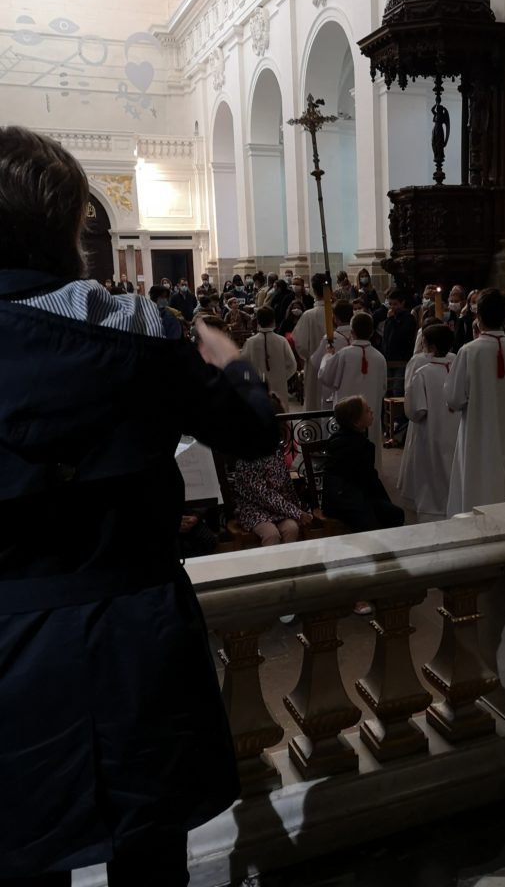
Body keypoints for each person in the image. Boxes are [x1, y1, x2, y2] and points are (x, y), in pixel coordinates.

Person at [0, 125, 281, 883]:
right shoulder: (143, 331)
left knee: (24, 849)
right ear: (69, 227)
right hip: (136, 635)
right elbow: (253, 434)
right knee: (152, 854)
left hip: (13, 650)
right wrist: (233, 365)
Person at [445, 287, 505, 514]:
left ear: (478, 316)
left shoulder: (468, 352)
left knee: (475, 491)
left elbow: (454, 398)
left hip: (477, 438)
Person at [399, 324, 459, 521]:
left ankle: (432, 509)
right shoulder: (458, 364)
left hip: (432, 431)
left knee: (432, 471)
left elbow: (416, 411)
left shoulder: (424, 372)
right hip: (457, 428)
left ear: (430, 346)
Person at [233, 398, 311, 546]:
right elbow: (264, 494)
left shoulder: (274, 449)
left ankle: (288, 567)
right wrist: (296, 512)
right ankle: (271, 568)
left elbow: (286, 482)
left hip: (278, 509)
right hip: (254, 509)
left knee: (292, 528)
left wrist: (297, 508)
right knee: (271, 534)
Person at [321, 395, 405, 532]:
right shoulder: (358, 446)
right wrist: (384, 501)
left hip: (342, 498)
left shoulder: (343, 439)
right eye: (367, 411)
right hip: (345, 501)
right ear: (356, 422)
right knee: (378, 522)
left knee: (394, 513)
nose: (371, 412)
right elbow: (368, 481)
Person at [319, 311, 387, 467]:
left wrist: (328, 357)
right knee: (370, 447)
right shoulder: (379, 357)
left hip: (347, 412)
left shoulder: (343, 354)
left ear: (352, 332)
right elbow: (383, 388)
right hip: (371, 411)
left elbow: (325, 376)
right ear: (371, 332)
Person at [240, 306, 297, 406]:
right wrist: (282, 377)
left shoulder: (251, 342)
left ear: (257, 322)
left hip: (257, 385)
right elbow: (292, 364)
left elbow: (243, 366)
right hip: (279, 384)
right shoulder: (281, 340)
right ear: (273, 321)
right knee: (280, 411)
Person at [292, 273, 329, 410]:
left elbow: (300, 343)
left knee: (314, 400)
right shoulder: (335, 313)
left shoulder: (308, 316)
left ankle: (313, 430)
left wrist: (309, 357)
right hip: (336, 364)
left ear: (313, 290)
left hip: (313, 365)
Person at [310, 299, 353, 405]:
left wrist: (328, 355)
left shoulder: (330, 339)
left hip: (333, 387)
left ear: (335, 318)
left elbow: (316, 362)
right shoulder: (357, 335)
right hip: (354, 384)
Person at [381, 288, 417, 391]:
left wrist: (391, 320)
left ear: (402, 303)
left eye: (395, 304)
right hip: (388, 360)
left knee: (397, 390)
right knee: (387, 391)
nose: (392, 307)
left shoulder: (408, 318)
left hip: (401, 360)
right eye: (390, 304)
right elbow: (386, 337)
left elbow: (400, 337)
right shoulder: (390, 317)